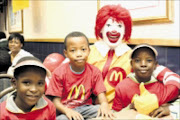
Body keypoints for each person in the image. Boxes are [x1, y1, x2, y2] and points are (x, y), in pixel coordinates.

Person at [87, 4, 180, 108]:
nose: (114, 30)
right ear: (100, 29)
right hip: (85, 109)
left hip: (117, 111)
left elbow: (172, 77)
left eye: (119, 26)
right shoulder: (88, 52)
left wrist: (165, 104)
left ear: (125, 30)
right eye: (108, 25)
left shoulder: (132, 57)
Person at [45, 31, 114, 120]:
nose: (79, 54)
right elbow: (55, 102)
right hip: (65, 110)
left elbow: (101, 94)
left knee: (108, 113)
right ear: (66, 53)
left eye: (83, 49)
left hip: (86, 108)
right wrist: (68, 111)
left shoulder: (94, 71)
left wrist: (104, 104)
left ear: (89, 51)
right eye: (73, 50)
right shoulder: (59, 73)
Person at [112, 44, 179, 118]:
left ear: (155, 65)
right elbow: (115, 114)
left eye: (149, 60)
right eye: (137, 60)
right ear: (131, 64)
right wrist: (130, 107)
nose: (143, 64)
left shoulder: (162, 85)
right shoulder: (122, 87)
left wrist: (170, 108)